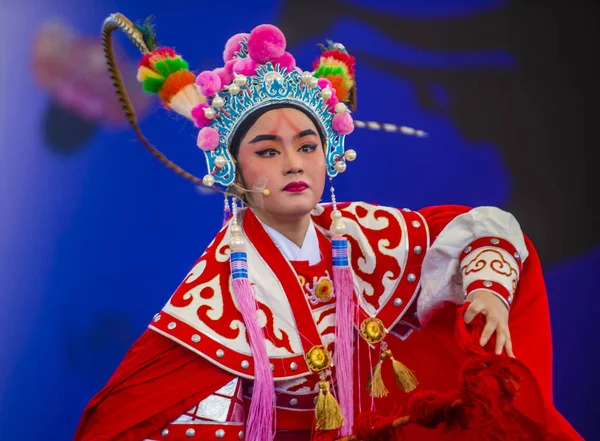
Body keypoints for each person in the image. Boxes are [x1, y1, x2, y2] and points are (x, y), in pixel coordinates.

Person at [74, 13, 583, 441]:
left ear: (328, 156)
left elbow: (480, 232)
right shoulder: (218, 292)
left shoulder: (362, 233)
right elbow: (141, 416)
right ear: (233, 170)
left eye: (308, 146)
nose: (294, 164)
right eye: (269, 151)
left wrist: (488, 291)